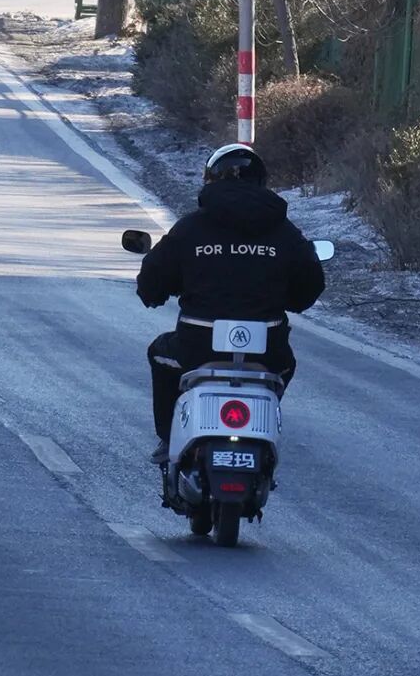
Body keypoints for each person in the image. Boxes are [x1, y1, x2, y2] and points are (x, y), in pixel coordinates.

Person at [137, 143, 326, 463]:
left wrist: (154, 293)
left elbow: (153, 277)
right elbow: (310, 283)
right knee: (285, 366)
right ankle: (262, 425)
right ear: (261, 183)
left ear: (211, 180)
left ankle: (169, 439)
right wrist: (293, 299)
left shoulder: (191, 228)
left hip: (197, 346)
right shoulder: (285, 233)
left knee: (160, 353)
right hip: (267, 350)